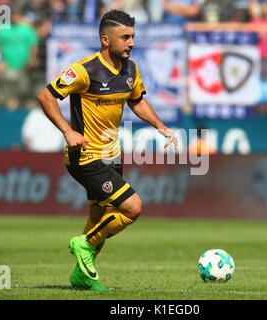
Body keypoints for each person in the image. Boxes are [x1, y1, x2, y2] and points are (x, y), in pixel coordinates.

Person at [37, 9, 178, 291]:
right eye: (125, 37)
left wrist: (159, 125)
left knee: (100, 217)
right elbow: (46, 96)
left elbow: (137, 101)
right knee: (132, 207)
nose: (131, 43)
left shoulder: (130, 69)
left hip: (112, 153)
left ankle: (82, 276)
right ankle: (84, 244)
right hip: (86, 156)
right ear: (105, 40)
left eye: (133, 37)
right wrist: (68, 131)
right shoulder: (83, 70)